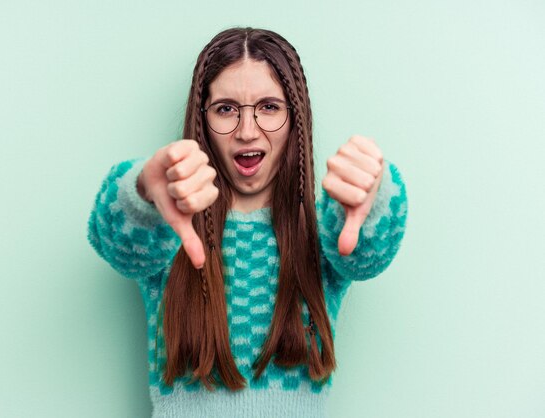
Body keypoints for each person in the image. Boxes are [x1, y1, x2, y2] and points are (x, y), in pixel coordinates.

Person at [87, 27, 408, 418]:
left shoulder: (322, 231)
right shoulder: (169, 228)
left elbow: (368, 254)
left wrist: (373, 191)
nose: (247, 130)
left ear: (295, 119)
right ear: (202, 121)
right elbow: (116, 238)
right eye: (226, 109)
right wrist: (143, 194)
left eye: (269, 107)